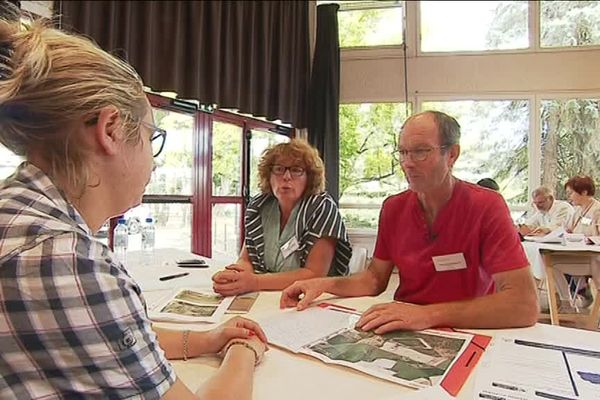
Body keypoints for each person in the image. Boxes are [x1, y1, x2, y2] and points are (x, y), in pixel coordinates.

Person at [0, 20, 266, 400]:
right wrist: (243, 352)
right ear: (110, 129)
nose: (154, 163)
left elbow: (98, 334)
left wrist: (206, 339)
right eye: (149, 137)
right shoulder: (66, 258)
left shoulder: (20, 217)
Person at [281, 111, 539, 332]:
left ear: (452, 155)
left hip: (467, 328)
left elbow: (523, 305)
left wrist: (427, 315)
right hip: (405, 328)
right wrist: (322, 284)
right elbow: (374, 279)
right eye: (403, 152)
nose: (407, 164)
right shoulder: (394, 208)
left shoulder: (487, 206)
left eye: (420, 152)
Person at [212, 138, 352, 297]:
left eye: (296, 169)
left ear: (309, 177)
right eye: (279, 169)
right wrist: (235, 277)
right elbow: (246, 260)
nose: (286, 176)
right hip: (269, 296)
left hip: (316, 300)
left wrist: (255, 282)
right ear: (268, 175)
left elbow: (314, 274)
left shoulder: (321, 207)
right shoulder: (259, 206)